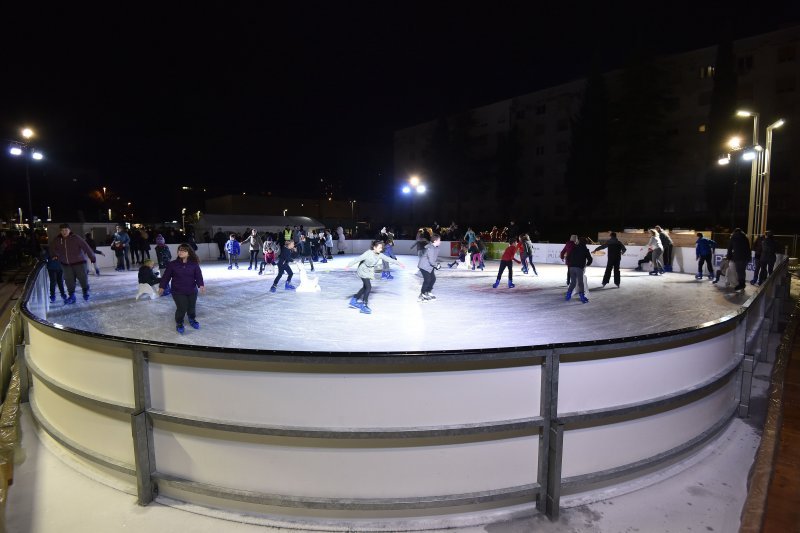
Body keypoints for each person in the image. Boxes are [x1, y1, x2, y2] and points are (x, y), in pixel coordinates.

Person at [346, 239, 405, 313]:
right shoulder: (368, 253)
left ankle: (353, 300)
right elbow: (358, 259)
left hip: (369, 271)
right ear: (374, 247)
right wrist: (349, 265)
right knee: (368, 287)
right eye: (380, 247)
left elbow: (388, 259)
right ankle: (364, 305)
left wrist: (398, 263)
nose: (381, 249)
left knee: (365, 287)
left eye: (381, 248)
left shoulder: (379, 254)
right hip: (362, 270)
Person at [158, 244, 205, 334]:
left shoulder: (194, 264)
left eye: (183, 251)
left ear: (188, 253)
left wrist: (201, 285)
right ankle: (179, 322)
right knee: (182, 307)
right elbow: (166, 277)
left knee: (191, 307)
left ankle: (192, 319)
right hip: (178, 291)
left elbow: (198, 276)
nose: (180, 252)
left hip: (191, 290)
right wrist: (162, 286)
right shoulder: (173, 264)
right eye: (179, 250)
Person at [49, 223, 96, 304]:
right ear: (60, 231)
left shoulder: (76, 238)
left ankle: (85, 291)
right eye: (62, 230)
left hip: (79, 262)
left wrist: (92, 257)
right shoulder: (57, 239)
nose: (64, 232)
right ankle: (72, 296)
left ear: (69, 230)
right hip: (66, 264)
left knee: (82, 278)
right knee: (69, 281)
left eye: (66, 230)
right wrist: (54, 255)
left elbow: (86, 247)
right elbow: (52, 248)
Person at [566, 237, 593, 303]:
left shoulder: (574, 248)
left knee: (573, 282)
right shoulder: (585, 249)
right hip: (579, 268)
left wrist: (571, 263)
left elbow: (568, 257)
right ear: (585, 243)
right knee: (581, 283)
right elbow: (590, 259)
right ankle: (582, 297)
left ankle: (568, 295)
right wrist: (587, 264)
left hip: (571, 267)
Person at [417, 234, 441, 302]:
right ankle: (422, 294)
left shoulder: (434, 247)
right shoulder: (431, 248)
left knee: (433, 279)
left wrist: (436, 264)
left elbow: (433, 258)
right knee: (427, 280)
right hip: (424, 266)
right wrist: (436, 265)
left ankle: (428, 292)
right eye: (439, 240)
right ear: (435, 241)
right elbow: (431, 260)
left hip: (429, 266)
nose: (440, 242)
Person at [727, 228, 751, 292]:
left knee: (739, 271)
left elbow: (729, 248)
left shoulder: (733, 237)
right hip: (746, 257)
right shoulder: (745, 238)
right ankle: (742, 283)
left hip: (738, 257)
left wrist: (728, 257)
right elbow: (748, 248)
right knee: (742, 270)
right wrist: (749, 257)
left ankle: (741, 284)